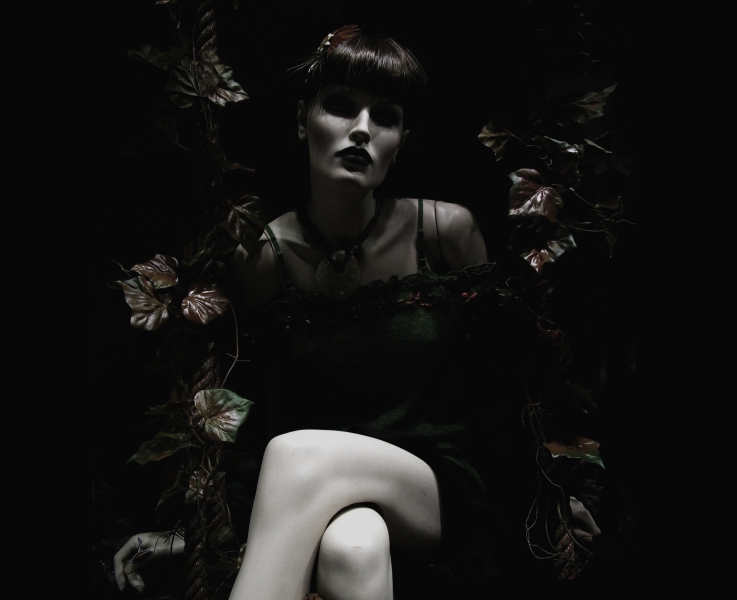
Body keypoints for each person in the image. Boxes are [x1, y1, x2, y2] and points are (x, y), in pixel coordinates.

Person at [114, 24, 601, 599]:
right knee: (353, 547)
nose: (363, 129)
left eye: (385, 116)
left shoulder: (443, 231)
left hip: (439, 483)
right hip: (317, 491)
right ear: (303, 121)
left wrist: (543, 495)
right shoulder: (262, 258)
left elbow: (497, 385)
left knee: (294, 452)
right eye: (341, 106)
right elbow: (253, 409)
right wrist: (200, 532)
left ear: (401, 139)